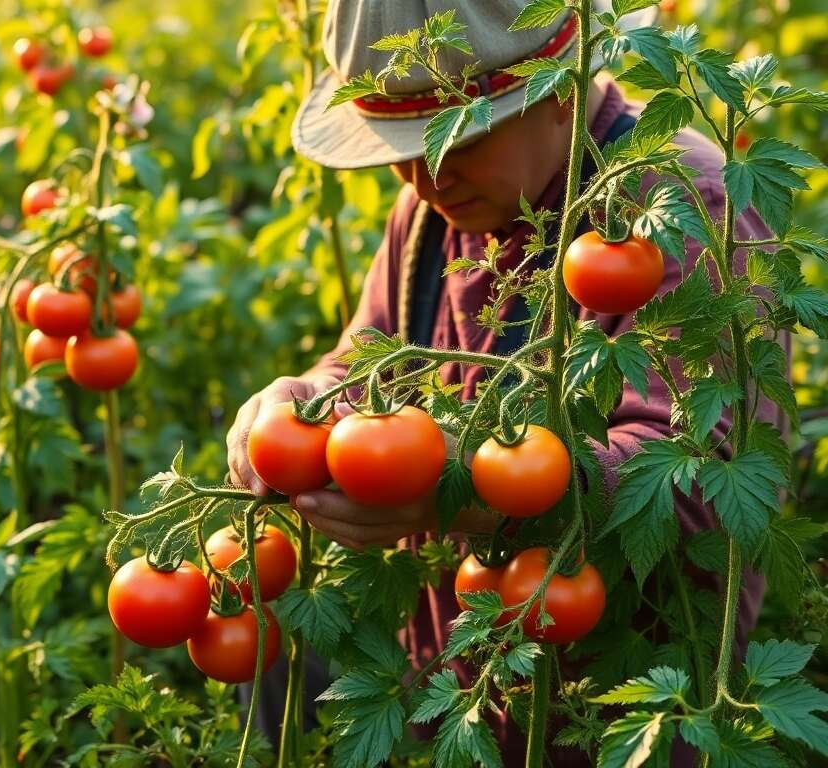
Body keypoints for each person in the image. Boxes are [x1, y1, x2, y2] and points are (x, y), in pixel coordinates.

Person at [224, 0, 777, 762]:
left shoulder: (678, 212)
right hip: (456, 691)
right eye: (401, 145)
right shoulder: (433, 212)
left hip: (618, 719)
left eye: (460, 135)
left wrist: (462, 489)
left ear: (559, 88)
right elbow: (366, 355)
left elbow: (696, 489)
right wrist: (304, 400)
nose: (423, 177)